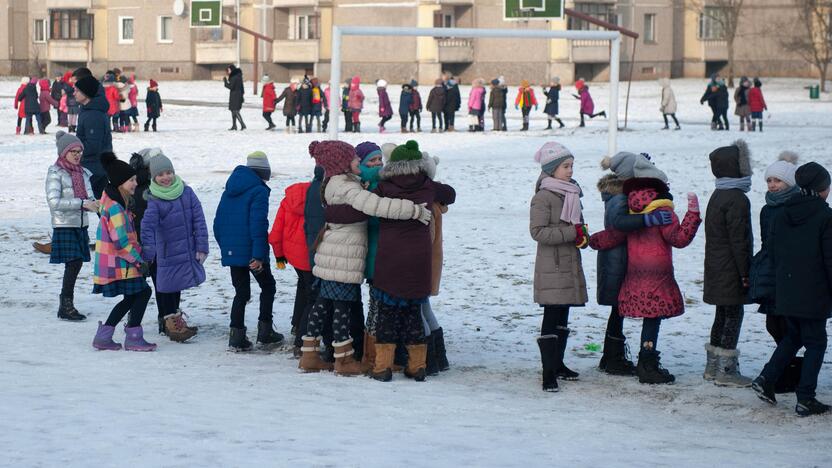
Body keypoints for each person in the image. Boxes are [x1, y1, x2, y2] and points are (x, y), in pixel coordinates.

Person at [299, 140, 433, 375]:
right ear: (342, 164)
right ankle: (344, 360)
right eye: (354, 158)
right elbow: (376, 205)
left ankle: (309, 354)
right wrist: (414, 210)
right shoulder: (346, 186)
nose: (358, 161)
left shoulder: (339, 182)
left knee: (322, 306)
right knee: (341, 308)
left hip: (333, 254)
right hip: (343, 257)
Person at [590, 160, 702, 384]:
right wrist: (693, 214)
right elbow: (679, 239)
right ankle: (647, 364)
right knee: (652, 321)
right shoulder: (663, 213)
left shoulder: (632, 213)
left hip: (635, 279)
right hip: (658, 278)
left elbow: (614, 235)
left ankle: (639, 360)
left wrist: (591, 240)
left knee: (648, 318)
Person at [370, 141, 456, 382]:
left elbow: (367, 206)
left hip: (389, 259)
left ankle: (382, 367)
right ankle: (418, 366)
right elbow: (450, 194)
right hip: (418, 260)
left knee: (387, 315)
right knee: (413, 315)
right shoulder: (427, 184)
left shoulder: (384, 187)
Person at [752, 162, 832, 417]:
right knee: (817, 342)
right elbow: (829, 259)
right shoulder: (825, 216)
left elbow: (772, 251)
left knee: (795, 337)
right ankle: (806, 397)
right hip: (813, 291)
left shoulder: (783, 213)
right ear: (822, 189)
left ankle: (767, 378)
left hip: (786, 288)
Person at [595, 152, 674, 375]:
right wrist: (646, 219)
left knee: (618, 309)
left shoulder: (622, 192)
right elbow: (619, 223)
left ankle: (611, 356)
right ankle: (613, 358)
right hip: (617, 260)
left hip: (620, 257)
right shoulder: (619, 196)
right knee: (617, 308)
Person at [529, 142, 588, 392]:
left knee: (563, 316)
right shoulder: (543, 196)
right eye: (565, 166)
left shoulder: (572, 193)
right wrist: (571, 232)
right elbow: (538, 232)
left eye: (572, 166)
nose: (570, 171)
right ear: (552, 168)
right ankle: (547, 372)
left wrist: (583, 235)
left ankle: (558, 363)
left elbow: (578, 225)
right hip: (552, 266)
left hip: (570, 263)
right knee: (552, 317)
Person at [213, 152, 284, 351]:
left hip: (233, 252)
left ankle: (236, 336)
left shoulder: (229, 189)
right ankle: (265, 331)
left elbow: (218, 223)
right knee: (268, 286)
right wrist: (259, 256)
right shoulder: (258, 191)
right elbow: (258, 225)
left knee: (241, 293)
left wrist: (227, 248)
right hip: (253, 253)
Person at [91, 152, 156, 352]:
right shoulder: (116, 208)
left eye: (135, 179)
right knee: (143, 292)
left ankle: (104, 337)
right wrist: (139, 262)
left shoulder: (115, 202)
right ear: (120, 182)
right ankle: (133, 337)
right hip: (121, 263)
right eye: (131, 180)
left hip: (118, 262)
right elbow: (121, 243)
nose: (135, 183)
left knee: (133, 296)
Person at [703, 139, 754, 387]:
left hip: (716, 265)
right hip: (731, 267)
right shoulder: (737, 199)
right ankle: (726, 370)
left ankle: (712, 366)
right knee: (733, 313)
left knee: (721, 314)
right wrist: (745, 271)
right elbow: (739, 239)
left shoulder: (718, 194)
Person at [749, 152, 801, 394]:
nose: (772, 185)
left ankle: (785, 369)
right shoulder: (767, 208)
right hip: (771, 269)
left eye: (777, 181)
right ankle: (786, 365)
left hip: (790, 272)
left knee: (789, 324)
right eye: (769, 180)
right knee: (773, 323)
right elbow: (765, 240)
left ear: (789, 182)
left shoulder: (796, 206)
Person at [140, 153, 206, 343]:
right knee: (167, 288)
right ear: (154, 178)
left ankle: (176, 321)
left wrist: (201, 245)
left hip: (186, 249)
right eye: (160, 175)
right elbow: (147, 228)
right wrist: (149, 253)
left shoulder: (186, 192)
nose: (166, 177)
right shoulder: (154, 200)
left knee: (177, 286)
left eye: (169, 172)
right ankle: (172, 325)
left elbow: (199, 219)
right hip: (167, 252)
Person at [47, 131, 99, 321]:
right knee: (74, 262)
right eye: (72, 151)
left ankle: (66, 303)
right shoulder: (55, 172)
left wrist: (97, 204)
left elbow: (89, 196)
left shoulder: (83, 172)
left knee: (76, 264)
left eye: (79, 151)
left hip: (81, 224)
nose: (77, 155)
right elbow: (54, 202)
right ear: (63, 153)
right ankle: (66, 305)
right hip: (64, 225)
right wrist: (83, 203)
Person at [268, 176, 314, 352]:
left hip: (293, 255)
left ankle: (296, 324)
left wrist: (279, 256)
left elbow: (275, 232)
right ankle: (303, 337)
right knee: (312, 295)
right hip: (310, 255)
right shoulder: (320, 200)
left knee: (302, 286)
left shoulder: (289, 198)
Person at [74, 73, 112, 199]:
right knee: (103, 206)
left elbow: (93, 146)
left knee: (82, 203)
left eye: (77, 91)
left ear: (86, 93)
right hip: (95, 166)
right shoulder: (88, 110)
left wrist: (72, 148)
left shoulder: (93, 115)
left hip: (94, 168)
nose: (74, 93)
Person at [223, 64, 246, 131]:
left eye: (229, 70)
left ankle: (242, 124)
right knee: (233, 111)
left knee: (235, 111)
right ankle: (234, 125)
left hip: (235, 96)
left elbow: (230, 86)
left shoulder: (234, 77)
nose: (228, 71)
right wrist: (242, 96)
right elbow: (242, 88)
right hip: (238, 95)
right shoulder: (238, 76)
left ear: (232, 70)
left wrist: (225, 81)